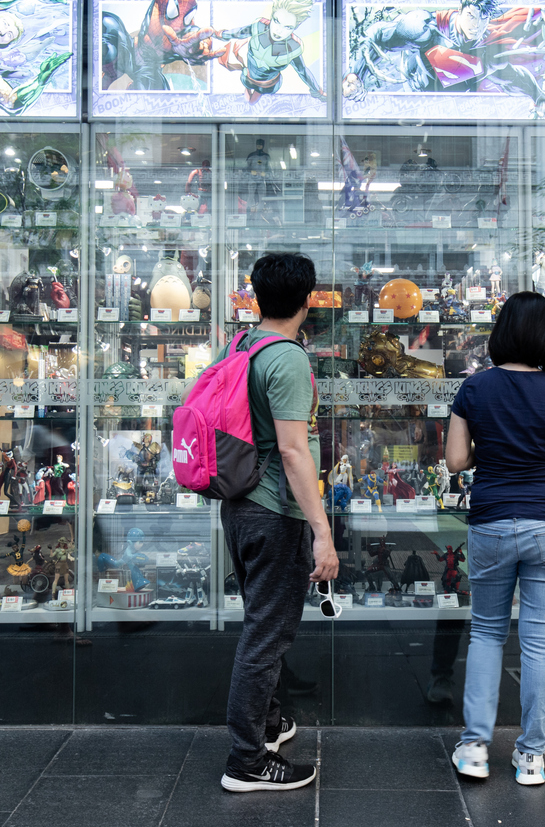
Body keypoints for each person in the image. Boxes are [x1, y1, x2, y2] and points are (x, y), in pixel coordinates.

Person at [444, 290, 545, 786]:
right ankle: (531, 754)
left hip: (491, 519)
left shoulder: (474, 389)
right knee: (541, 640)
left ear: (500, 333)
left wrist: (496, 447)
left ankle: (474, 748)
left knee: (487, 632)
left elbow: (456, 462)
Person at [217, 252, 338, 793]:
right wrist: (323, 531)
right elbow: (293, 452)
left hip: (240, 504)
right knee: (267, 635)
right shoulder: (286, 357)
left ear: (257, 297)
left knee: (260, 622)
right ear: (308, 300)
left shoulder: (241, 344)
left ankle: (268, 725)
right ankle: (246, 760)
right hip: (273, 509)